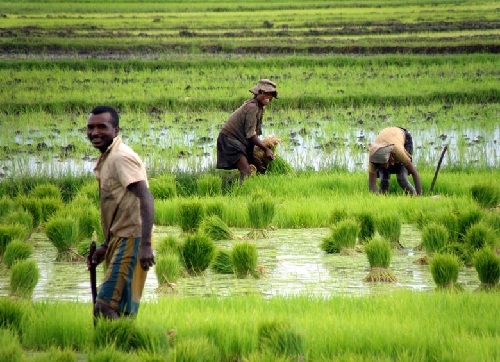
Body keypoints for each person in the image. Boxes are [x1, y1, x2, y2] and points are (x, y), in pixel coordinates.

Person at [86, 105, 155, 319]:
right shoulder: (108, 157)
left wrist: (144, 245)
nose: (95, 132)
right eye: (90, 127)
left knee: (104, 306)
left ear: (116, 130)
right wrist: (106, 245)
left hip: (132, 238)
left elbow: (145, 196)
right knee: (122, 309)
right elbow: (119, 206)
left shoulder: (120, 157)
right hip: (120, 238)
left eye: (102, 127)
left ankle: (116, 348)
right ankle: (124, 348)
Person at [216, 79, 278, 184]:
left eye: (271, 94)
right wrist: (265, 149)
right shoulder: (252, 107)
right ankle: (241, 194)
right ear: (258, 93)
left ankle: (257, 187)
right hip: (230, 140)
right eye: (265, 93)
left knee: (260, 166)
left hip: (241, 141)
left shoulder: (260, 108)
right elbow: (251, 134)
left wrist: (260, 149)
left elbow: (255, 131)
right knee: (246, 171)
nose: (268, 97)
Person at [367, 126, 422, 195]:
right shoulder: (373, 158)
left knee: (402, 178)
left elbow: (414, 173)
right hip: (383, 141)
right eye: (381, 167)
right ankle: (383, 199)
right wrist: (376, 197)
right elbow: (372, 185)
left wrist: (419, 195)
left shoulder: (399, 152)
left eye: (384, 165)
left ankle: (414, 197)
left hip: (401, 137)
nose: (384, 167)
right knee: (383, 179)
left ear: (389, 158)